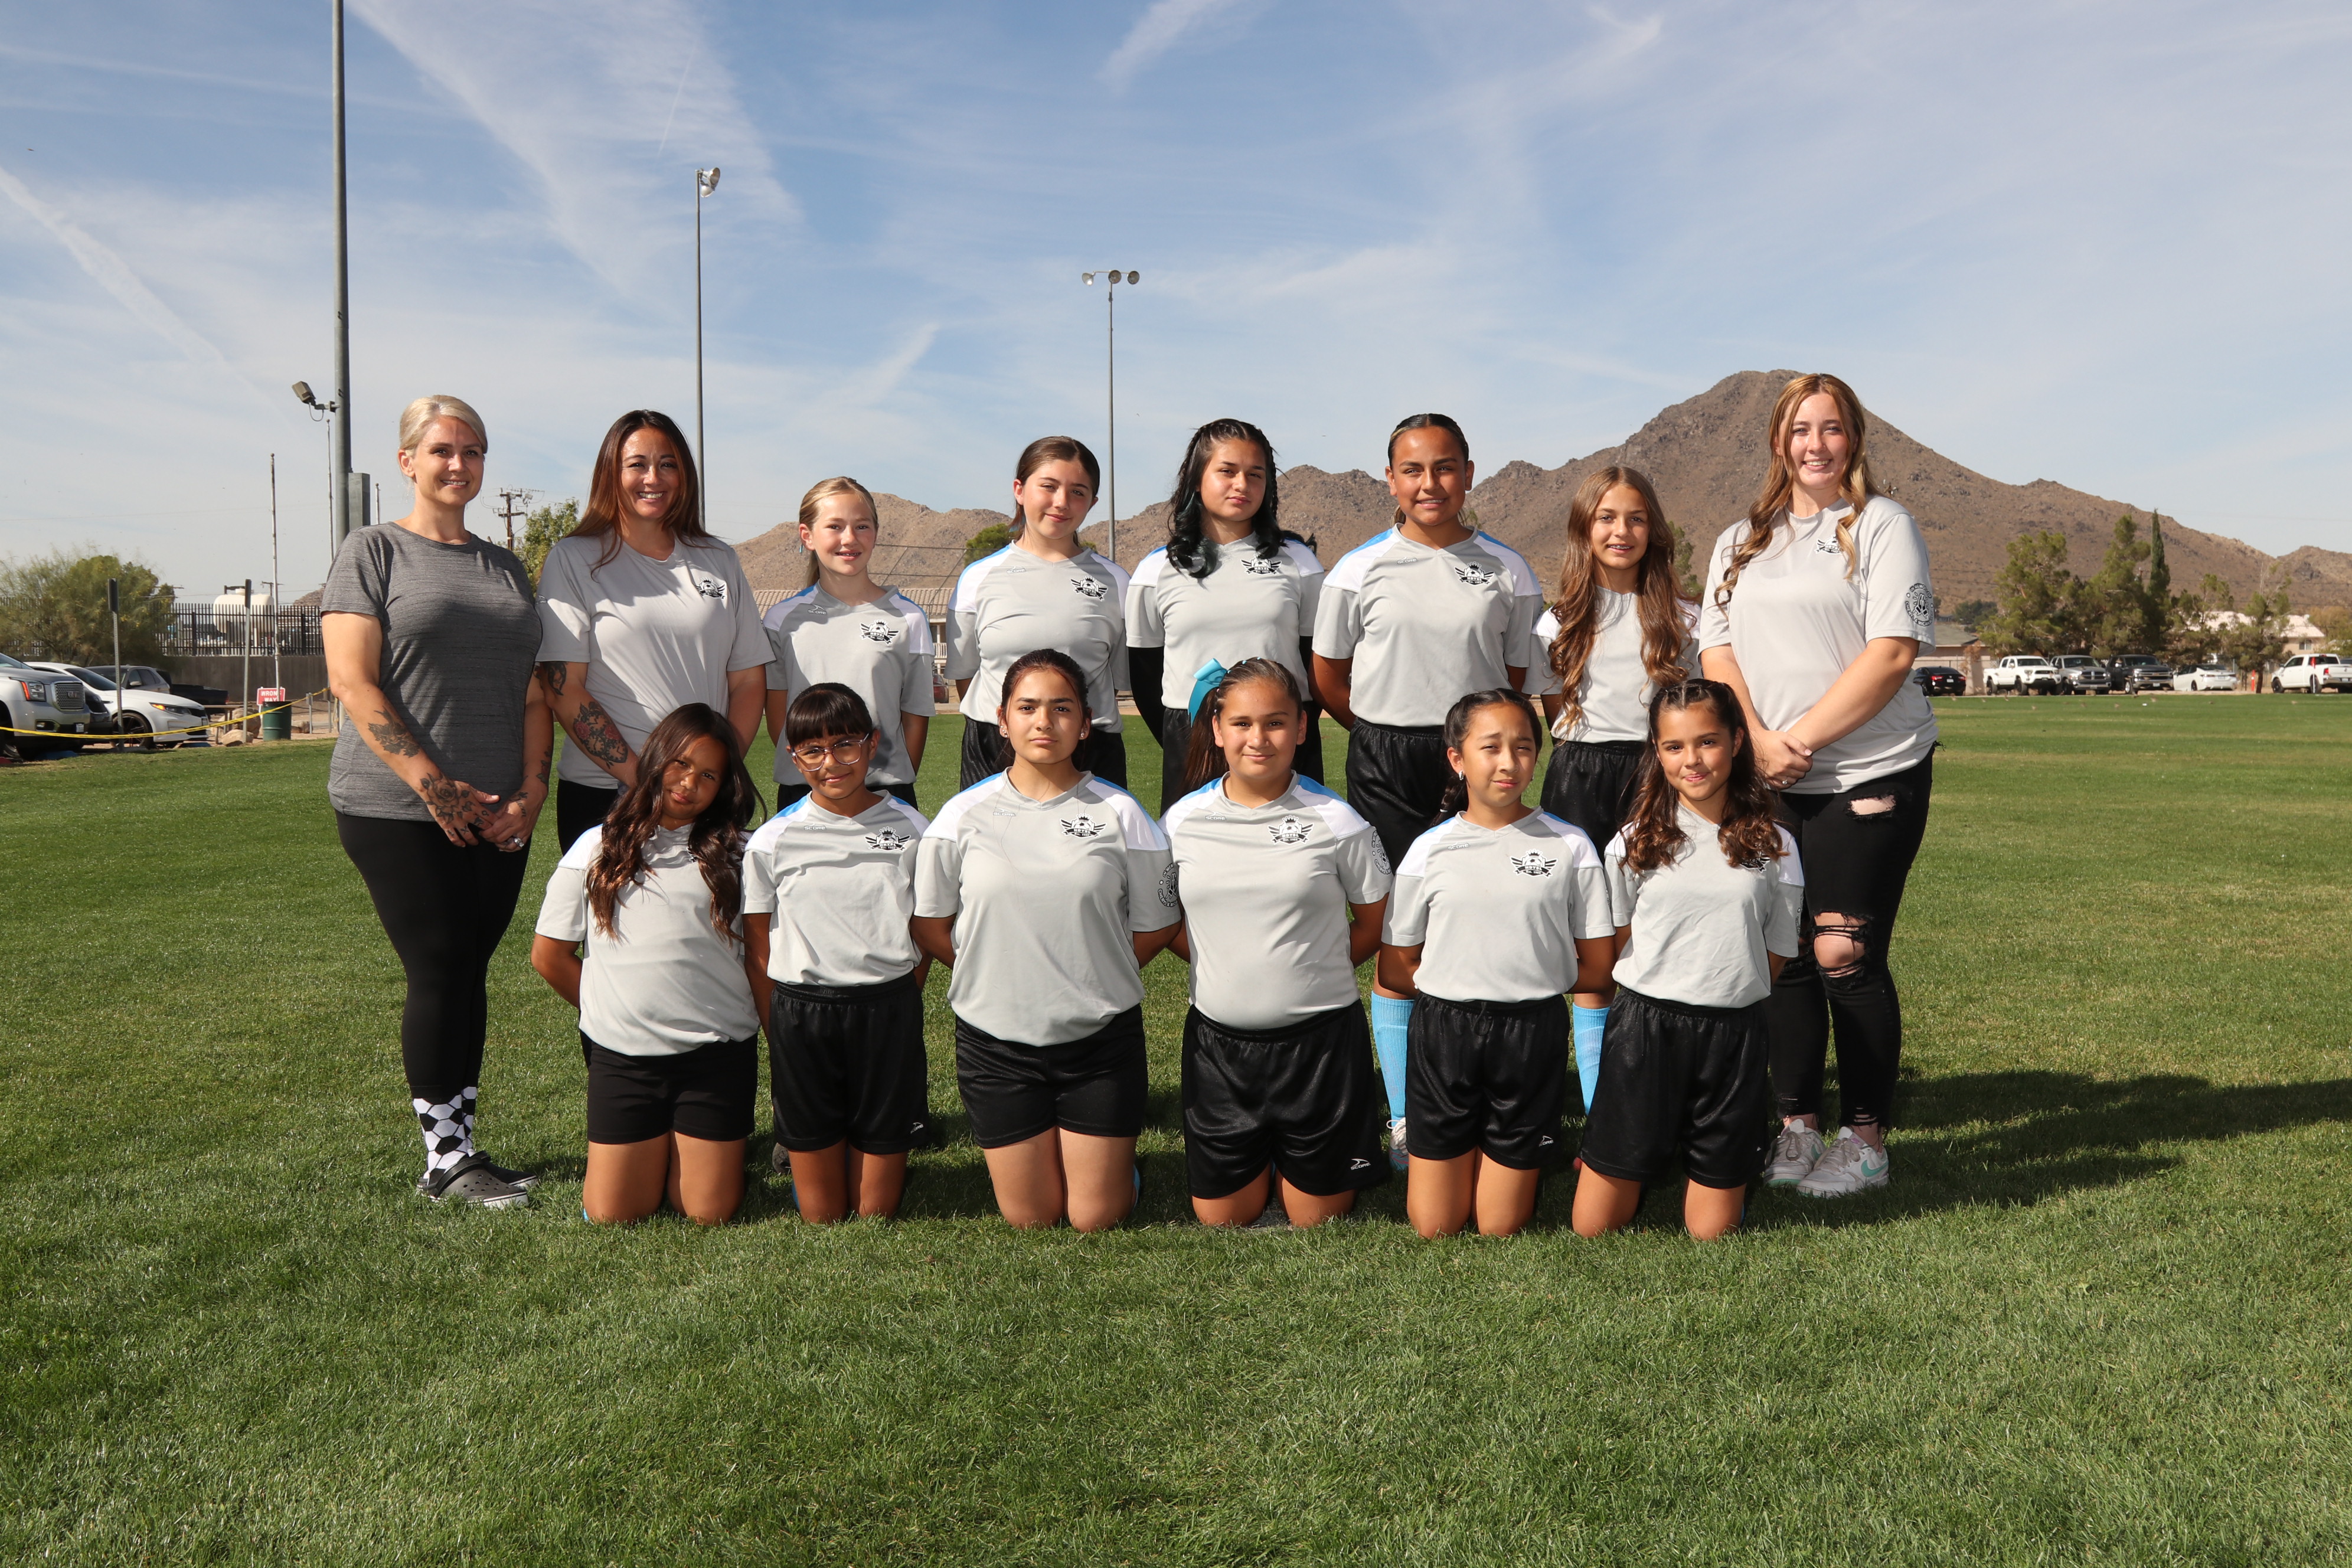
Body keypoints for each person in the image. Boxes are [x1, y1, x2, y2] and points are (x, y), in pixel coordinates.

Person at [1698, 372, 1938, 1198]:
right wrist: (1759, 741)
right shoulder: (1741, 540)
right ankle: (1797, 1125)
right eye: (1801, 429)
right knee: (1785, 953)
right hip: (1767, 771)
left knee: (1844, 951)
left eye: (1832, 428)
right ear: (1778, 441)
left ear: (1854, 439)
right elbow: (1717, 651)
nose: (1816, 444)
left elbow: (1893, 652)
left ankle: (1865, 1140)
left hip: (1869, 768)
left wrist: (1798, 739)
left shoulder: (1882, 525)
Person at [323, 394, 549, 1209]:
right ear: (408, 461)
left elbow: (534, 692)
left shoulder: (505, 566)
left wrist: (532, 790)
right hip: (397, 808)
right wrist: (435, 786)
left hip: (497, 810)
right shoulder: (373, 551)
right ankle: (445, 1160)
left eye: (473, 450)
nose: (460, 464)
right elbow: (353, 681)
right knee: (440, 965)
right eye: (443, 449)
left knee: (469, 972)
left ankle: (463, 1148)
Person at [1312, 413, 1541, 1168]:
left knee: (1480, 914)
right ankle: (1408, 1114)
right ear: (1390, 479)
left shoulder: (1508, 570)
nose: (1429, 483)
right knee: (1395, 927)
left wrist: (1476, 746)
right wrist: (1379, 730)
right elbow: (1329, 675)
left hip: (1476, 759)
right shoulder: (1357, 570)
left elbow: (1513, 676)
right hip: (1386, 757)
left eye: (1444, 467)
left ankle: (1480, 1087)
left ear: (1469, 474)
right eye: (1412, 469)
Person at [912, 649, 1180, 1230]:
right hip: (996, 1044)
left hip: (1099, 1043)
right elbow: (930, 925)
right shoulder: (961, 816)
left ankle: (1114, 1171)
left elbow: (1157, 924)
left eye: (1062, 708)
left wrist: (1092, 972)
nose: (1044, 722)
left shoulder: (1122, 813)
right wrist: (995, 972)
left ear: (1084, 724)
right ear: (1002, 720)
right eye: (1027, 707)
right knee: (1031, 1218)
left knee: (1095, 1217)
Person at [1159, 659, 1390, 1228]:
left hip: (1321, 1047)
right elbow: (1163, 922)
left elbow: (1375, 921)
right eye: (1241, 723)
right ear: (1217, 730)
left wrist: (1313, 967)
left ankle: (1297, 1158)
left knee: (1315, 1218)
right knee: (1222, 1217)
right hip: (1220, 1048)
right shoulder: (1180, 823)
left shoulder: (1339, 821)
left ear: (1302, 727)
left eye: (1275, 723)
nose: (1258, 739)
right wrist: (1222, 961)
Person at [1377, 689, 1614, 1239]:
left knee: (1499, 1225)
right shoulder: (1428, 850)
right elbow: (1395, 968)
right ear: (1457, 758)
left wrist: (1523, 976)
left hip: (1530, 1034)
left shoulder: (1571, 846)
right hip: (1444, 1034)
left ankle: (1498, 1148)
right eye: (1491, 747)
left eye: (1524, 747)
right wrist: (1462, 981)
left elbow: (1599, 968)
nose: (1509, 762)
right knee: (1434, 1225)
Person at [1572, 680, 1803, 1241]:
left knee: (1711, 1233)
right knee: (1592, 1227)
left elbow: (1776, 950)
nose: (1692, 760)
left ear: (1737, 742)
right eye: (1674, 747)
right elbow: (1620, 938)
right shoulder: (1633, 843)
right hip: (1645, 1030)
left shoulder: (1776, 845)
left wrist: (1727, 988)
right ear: (1657, 751)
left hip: (1733, 1036)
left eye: (1708, 742)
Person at [530, 704, 765, 1225]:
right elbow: (549, 956)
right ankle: (655, 1151)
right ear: (657, 758)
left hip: (716, 1055)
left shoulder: (743, 854)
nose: (689, 783)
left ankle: (696, 1149)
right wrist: (614, 1010)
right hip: (625, 1059)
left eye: (709, 775)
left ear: (725, 786)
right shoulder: (596, 847)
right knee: (613, 1214)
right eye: (681, 764)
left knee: (707, 1212)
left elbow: (763, 956)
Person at [1524, 466, 1697, 1115]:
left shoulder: (1685, 620)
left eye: (1636, 518)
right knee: (1592, 945)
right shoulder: (1556, 623)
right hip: (1578, 778)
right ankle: (1602, 1109)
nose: (1621, 531)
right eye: (1606, 518)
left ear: (1655, 531)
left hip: (1658, 780)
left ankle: (1661, 1087)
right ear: (1584, 529)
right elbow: (1554, 715)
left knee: (1657, 934)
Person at [535, 409, 769, 850]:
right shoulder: (574, 559)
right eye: (637, 464)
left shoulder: (719, 560)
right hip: (607, 795)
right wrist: (644, 780)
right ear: (611, 473)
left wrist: (713, 774)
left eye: (667, 464)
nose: (653, 478)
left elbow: (747, 681)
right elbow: (564, 689)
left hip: (706, 799)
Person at [743, 684, 933, 1222]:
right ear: (793, 757)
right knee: (821, 1213)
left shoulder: (914, 829)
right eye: (814, 751)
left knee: (875, 1212)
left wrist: (899, 994)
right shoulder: (774, 839)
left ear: (873, 744)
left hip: (887, 1010)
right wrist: (777, 1024)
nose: (832, 763)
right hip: (803, 1014)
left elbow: (925, 929)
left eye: (846, 744)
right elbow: (758, 942)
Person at [1126, 419, 1326, 810]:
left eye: (1256, 474)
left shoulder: (1300, 563)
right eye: (1227, 471)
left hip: (1279, 738)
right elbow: (1146, 677)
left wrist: (1285, 724)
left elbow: (1315, 664)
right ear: (1196, 478)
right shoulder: (1155, 571)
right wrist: (1193, 735)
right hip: (1192, 740)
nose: (1242, 485)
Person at [946, 438, 1130, 789]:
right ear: (1019, 490)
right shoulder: (978, 578)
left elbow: (1119, 679)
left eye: (1078, 492)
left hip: (1090, 747)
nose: (1062, 502)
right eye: (1049, 486)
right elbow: (967, 675)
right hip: (993, 746)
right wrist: (1014, 722)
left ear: (1093, 503)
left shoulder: (1117, 582)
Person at [762, 476, 932, 812]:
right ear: (807, 536)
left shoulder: (908, 618)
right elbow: (779, 717)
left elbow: (915, 716)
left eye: (862, 526)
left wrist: (887, 777)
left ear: (876, 533)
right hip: (805, 790)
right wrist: (816, 765)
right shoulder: (782, 620)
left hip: (885, 793)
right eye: (835, 526)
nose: (850, 538)